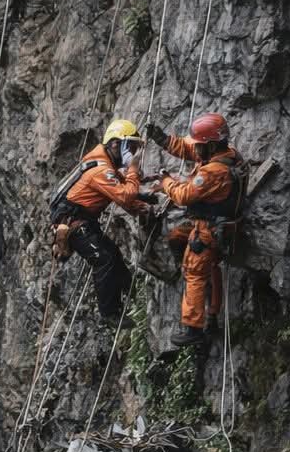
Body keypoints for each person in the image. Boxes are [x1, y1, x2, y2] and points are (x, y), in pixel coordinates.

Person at [145, 112, 247, 348]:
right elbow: (189, 149)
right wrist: (163, 140)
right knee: (179, 240)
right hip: (221, 225)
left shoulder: (214, 171)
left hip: (208, 231)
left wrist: (166, 182)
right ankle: (211, 315)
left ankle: (193, 328)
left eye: (200, 145)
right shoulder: (227, 155)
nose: (196, 149)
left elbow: (183, 195)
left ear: (210, 145)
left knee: (195, 272)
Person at [48, 118, 154, 321]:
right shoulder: (101, 170)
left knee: (113, 254)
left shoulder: (105, 165)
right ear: (115, 144)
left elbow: (120, 193)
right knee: (104, 259)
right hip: (75, 224)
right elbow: (125, 196)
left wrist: (142, 204)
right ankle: (110, 313)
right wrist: (132, 169)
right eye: (130, 147)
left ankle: (131, 292)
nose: (132, 153)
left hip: (84, 221)